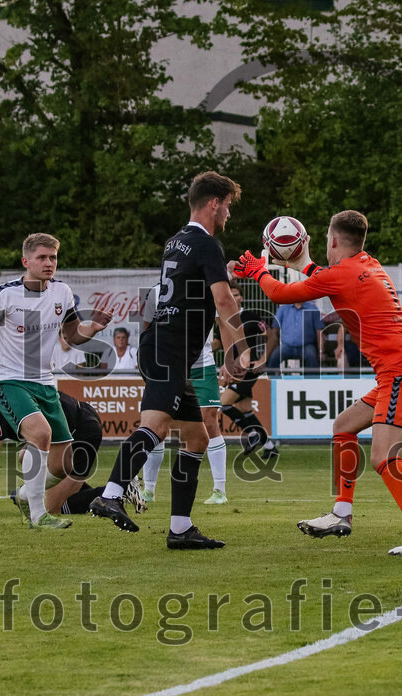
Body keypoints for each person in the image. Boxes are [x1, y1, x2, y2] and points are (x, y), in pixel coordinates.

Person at [232, 210, 402, 556]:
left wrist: (259, 270)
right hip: (401, 365)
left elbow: (277, 293)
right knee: (344, 426)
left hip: (401, 368)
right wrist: (300, 262)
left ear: (333, 240)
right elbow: (325, 276)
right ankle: (342, 512)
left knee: (384, 455)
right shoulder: (366, 265)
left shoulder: (343, 275)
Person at [89, 171, 249, 550]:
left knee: (196, 438)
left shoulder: (176, 241)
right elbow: (225, 303)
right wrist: (240, 351)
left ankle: (180, 528)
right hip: (169, 350)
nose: (228, 213)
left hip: (162, 345)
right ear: (214, 203)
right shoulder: (207, 245)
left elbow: (207, 306)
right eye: (227, 206)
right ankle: (110, 493)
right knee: (156, 427)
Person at [0, 232, 112, 530]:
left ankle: (24, 494)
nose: (49, 263)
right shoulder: (5, 294)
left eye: (53, 257)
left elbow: (71, 334)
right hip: (10, 381)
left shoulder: (62, 292)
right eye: (42, 257)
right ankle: (38, 515)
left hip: (45, 383)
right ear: (26, 261)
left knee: (65, 464)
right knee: (40, 434)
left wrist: (92, 328)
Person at [0, 368, 105, 516]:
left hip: (81, 430)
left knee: (55, 508)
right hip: (71, 427)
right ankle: (67, 488)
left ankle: (115, 491)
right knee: (25, 455)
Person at [139, 282, 229, 505]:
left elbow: (224, 325)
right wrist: (147, 361)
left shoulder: (208, 288)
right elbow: (146, 328)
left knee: (209, 423)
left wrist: (230, 357)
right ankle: (148, 489)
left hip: (201, 366)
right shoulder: (156, 291)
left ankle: (220, 490)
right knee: (157, 425)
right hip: (167, 366)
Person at [217, 279, 276, 459]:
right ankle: (270, 446)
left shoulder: (251, 317)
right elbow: (220, 343)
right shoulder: (225, 319)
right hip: (234, 369)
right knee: (244, 408)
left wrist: (263, 359)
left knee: (223, 403)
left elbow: (272, 336)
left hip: (248, 369)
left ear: (241, 297)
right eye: (231, 295)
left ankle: (252, 435)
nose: (234, 298)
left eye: (236, 295)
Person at [266, 301, 324, 374]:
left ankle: (312, 382)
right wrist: (271, 349)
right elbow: (275, 330)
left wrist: (321, 351)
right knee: (273, 358)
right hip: (286, 346)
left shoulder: (313, 309)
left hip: (307, 346)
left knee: (312, 356)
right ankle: (272, 382)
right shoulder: (283, 309)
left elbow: (319, 332)